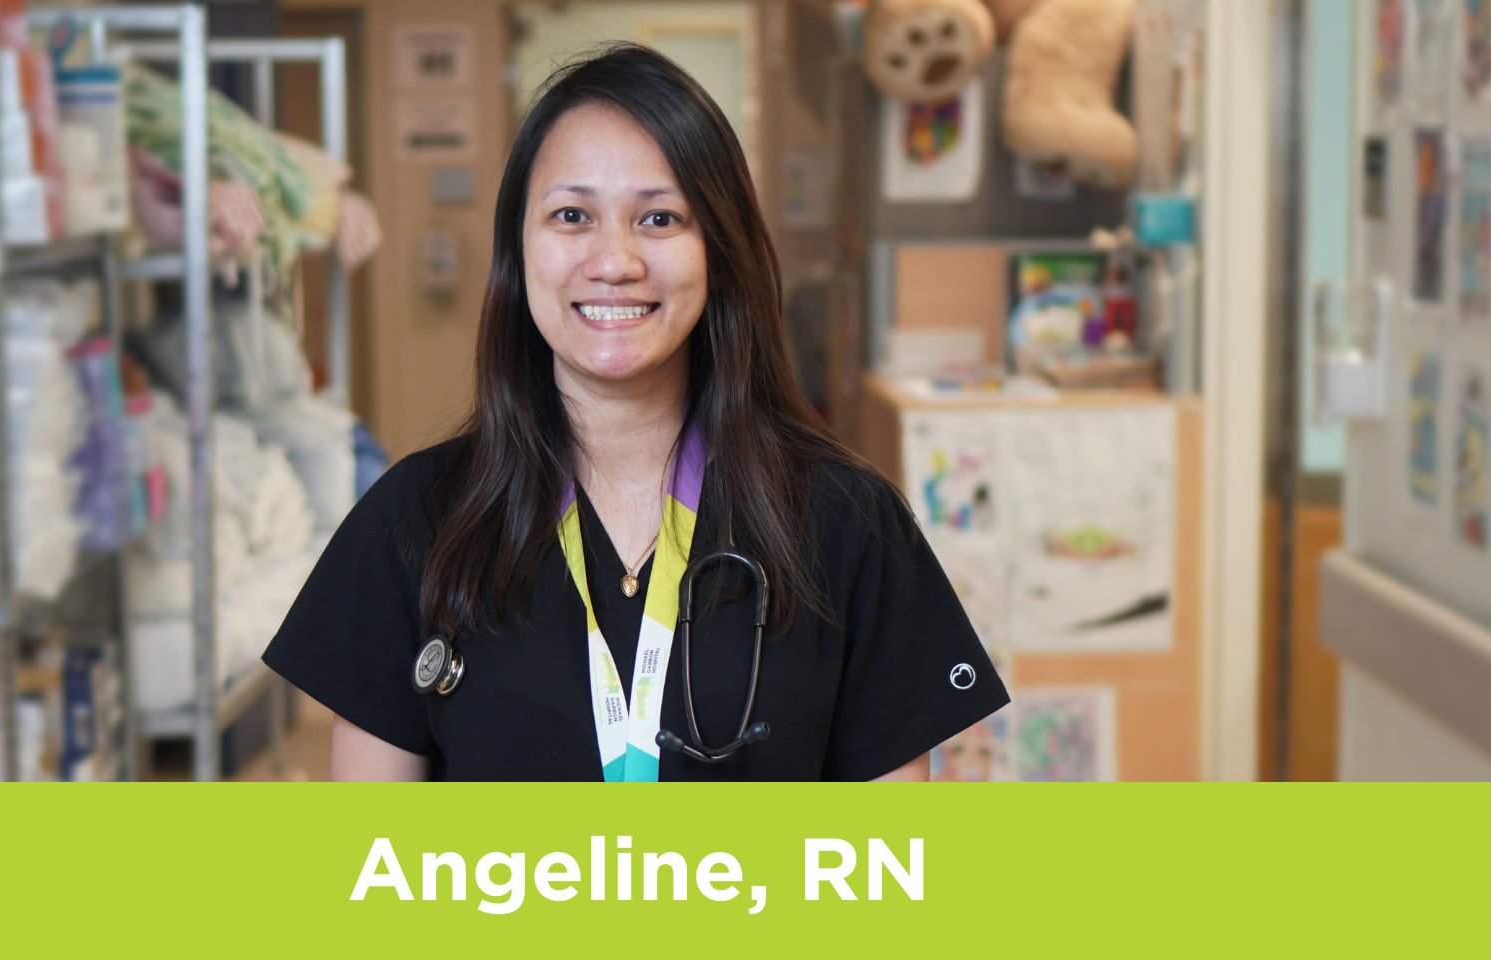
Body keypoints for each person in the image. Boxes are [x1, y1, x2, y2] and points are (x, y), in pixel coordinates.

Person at [264, 43, 1006, 781]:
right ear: (518, 252)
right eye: (571, 215)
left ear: (719, 250)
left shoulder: (849, 524)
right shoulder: (414, 522)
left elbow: (887, 871)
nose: (615, 261)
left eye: (659, 219)